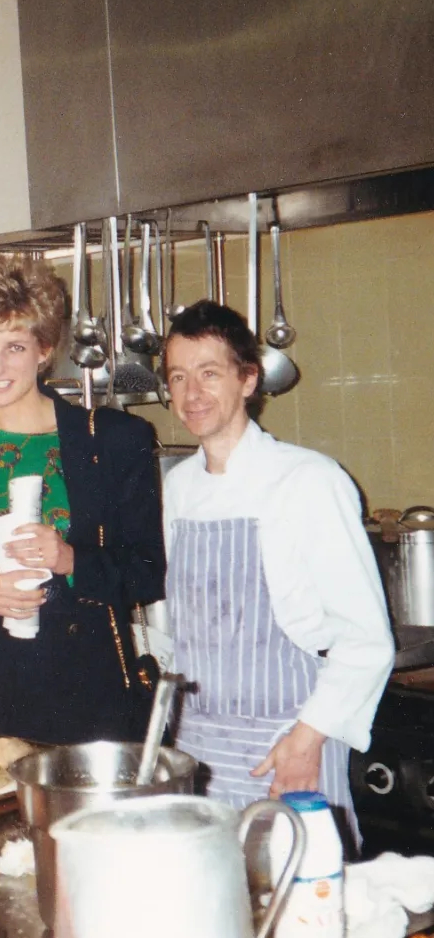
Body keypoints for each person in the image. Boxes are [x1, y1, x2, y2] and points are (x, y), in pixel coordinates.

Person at [157, 299, 394, 842]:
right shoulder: (179, 488)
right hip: (200, 747)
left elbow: (366, 639)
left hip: (287, 747)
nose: (192, 394)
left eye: (209, 373)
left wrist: (307, 741)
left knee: (300, 907)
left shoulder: (307, 481)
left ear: (248, 379)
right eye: (178, 376)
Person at [0, 254, 165, 745]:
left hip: (93, 697)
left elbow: (148, 572)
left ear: (45, 350)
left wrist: (69, 558)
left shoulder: (113, 439)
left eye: (15, 347)